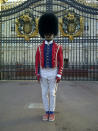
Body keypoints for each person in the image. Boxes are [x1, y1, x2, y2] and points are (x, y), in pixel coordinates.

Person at [35, 13, 63, 121]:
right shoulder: (39, 47)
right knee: (43, 93)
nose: (48, 35)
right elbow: (36, 62)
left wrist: (59, 73)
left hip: (53, 71)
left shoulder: (58, 47)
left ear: (53, 33)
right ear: (43, 33)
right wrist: (37, 73)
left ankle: (51, 112)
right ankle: (46, 111)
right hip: (43, 72)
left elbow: (61, 62)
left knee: (52, 93)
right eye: (46, 33)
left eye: (50, 33)